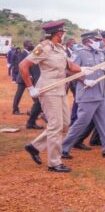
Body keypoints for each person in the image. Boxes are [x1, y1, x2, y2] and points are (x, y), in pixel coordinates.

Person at [20, 21, 87, 173]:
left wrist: (83, 69)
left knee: (65, 124)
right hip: (48, 89)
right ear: (58, 33)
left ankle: (34, 146)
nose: (63, 35)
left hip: (60, 88)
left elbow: (69, 66)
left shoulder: (60, 48)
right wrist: (31, 88)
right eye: (62, 32)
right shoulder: (43, 48)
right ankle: (54, 163)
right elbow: (23, 66)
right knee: (56, 125)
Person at [61, 31, 105, 159]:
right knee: (82, 122)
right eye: (96, 39)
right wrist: (83, 80)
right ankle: (63, 148)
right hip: (87, 93)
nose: (99, 42)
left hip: (101, 93)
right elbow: (68, 70)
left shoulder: (100, 53)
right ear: (89, 41)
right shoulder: (79, 53)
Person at [11, 40, 34, 115]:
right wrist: (29, 75)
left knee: (34, 94)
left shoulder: (30, 53)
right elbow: (21, 66)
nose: (32, 45)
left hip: (29, 78)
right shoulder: (22, 54)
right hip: (23, 78)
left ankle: (36, 110)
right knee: (19, 94)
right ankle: (15, 109)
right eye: (31, 44)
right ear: (26, 45)